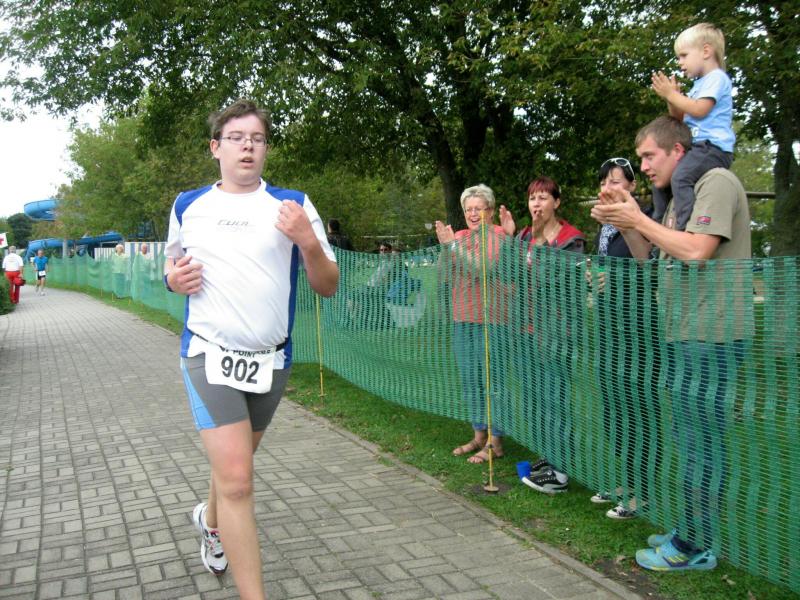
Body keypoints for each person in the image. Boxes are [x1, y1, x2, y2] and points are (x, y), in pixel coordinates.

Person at [163, 99, 338, 599]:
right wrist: (173, 280)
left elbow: (328, 285)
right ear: (215, 148)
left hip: (270, 360)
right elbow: (172, 266)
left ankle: (209, 519)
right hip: (208, 353)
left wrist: (308, 243)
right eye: (237, 138)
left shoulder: (292, 205)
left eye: (257, 139)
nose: (247, 147)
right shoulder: (188, 205)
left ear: (265, 149)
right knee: (239, 479)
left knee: (232, 468)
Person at [591, 116, 751, 572]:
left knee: (702, 442)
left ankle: (693, 546)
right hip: (684, 333)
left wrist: (639, 217)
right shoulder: (679, 197)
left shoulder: (715, 182)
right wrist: (627, 223)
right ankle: (690, 530)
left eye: (648, 156)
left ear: (677, 151)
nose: (642, 166)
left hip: (711, 335)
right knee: (688, 437)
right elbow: (651, 260)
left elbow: (698, 252)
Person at [499, 177, 585, 493]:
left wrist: (539, 241)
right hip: (525, 332)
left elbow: (553, 280)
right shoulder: (523, 235)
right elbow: (506, 274)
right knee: (534, 399)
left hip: (556, 334)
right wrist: (511, 239)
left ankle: (560, 473)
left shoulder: (571, 239)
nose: (537, 204)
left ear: (556, 203)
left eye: (544, 197)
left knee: (555, 399)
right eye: (533, 198)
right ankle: (549, 456)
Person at [588, 158, 661, 520]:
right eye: (604, 181)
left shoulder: (647, 217)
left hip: (639, 329)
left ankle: (644, 492)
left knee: (639, 408)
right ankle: (627, 482)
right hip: (609, 327)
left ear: (632, 186)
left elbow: (649, 267)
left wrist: (613, 281)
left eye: (616, 181)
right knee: (615, 406)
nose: (608, 187)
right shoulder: (604, 227)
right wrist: (594, 280)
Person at [436, 184, 509, 464]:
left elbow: (484, 269)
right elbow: (444, 274)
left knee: (493, 382)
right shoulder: (461, 237)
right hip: (462, 318)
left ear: (490, 210)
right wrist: (446, 248)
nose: (473, 214)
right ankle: (479, 435)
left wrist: (453, 246)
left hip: (491, 320)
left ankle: (495, 441)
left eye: (478, 208)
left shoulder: (498, 235)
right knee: (471, 380)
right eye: (468, 209)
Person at [650, 22, 734, 230]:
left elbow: (699, 110)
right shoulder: (699, 84)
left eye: (684, 55)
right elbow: (678, 119)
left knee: (680, 178)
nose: (680, 62)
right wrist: (672, 98)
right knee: (661, 177)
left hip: (712, 148)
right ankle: (658, 224)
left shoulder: (717, 78)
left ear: (706, 51)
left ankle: (683, 228)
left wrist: (672, 95)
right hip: (695, 148)